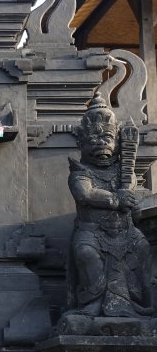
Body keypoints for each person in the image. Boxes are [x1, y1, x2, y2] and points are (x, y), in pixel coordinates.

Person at [67, 93, 152, 319]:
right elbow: (85, 194)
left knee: (143, 247)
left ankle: (141, 303)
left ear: (117, 142)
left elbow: (131, 193)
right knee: (85, 253)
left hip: (125, 232)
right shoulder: (80, 172)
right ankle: (92, 303)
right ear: (81, 143)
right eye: (93, 138)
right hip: (92, 233)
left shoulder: (124, 173)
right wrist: (116, 200)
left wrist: (132, 204)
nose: (101, 142)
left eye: (107, 137)